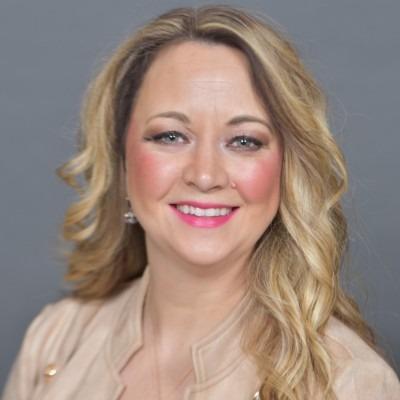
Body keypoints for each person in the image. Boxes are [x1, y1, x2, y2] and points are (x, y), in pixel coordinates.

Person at [2, 5, 400, 400]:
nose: (205, 175)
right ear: (120, 159)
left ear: (287, 169)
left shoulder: (351, 383)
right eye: (171, 136)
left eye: (244, 141)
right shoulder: (55, 340)